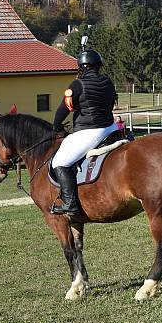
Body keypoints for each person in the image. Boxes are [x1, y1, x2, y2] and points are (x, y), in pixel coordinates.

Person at [51, 49, 118, 216]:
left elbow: (63, 109)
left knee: (59, 163)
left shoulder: (77, 85)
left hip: (89, 132)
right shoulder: (108, 82)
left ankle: (70, 203)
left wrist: (56, 126)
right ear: (98, 65)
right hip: (111, 128)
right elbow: (110, 104)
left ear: (81, 67)